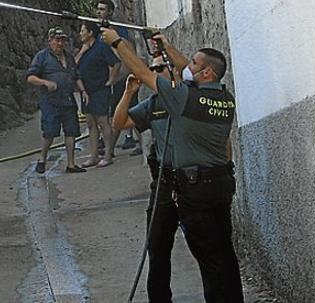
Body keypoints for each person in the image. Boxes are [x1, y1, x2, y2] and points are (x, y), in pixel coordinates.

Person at [100, 28, 244, 302]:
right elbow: (188, 71)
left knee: (210, 260)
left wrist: (117, 43)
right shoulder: (224, 99)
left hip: (195, 190)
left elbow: (143, 73)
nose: (185, 66)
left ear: (206, 74)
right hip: (220, 185)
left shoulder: (182, 99)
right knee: (223, 253)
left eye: (193, 63)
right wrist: (166, 46)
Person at [113, 56, 178, 303]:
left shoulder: (190, 98)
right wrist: (129, 92)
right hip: (164, 181)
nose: (152, 72)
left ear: (173, 71)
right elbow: (119, 123)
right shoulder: (153, 104)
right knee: (157, 249)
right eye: (150, 68)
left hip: (194, 182)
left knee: (207, 250)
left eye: (158, 68)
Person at [26, 27, 88, 174]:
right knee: (50, 132)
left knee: (71, 131)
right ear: (50, 41)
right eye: (57, 40)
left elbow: (76, 75)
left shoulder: (69, 57)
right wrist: (45, 83)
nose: (60, 43)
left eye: (62, 40)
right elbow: (30, 77)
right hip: (50, 101)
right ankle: (42, 159)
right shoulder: (42, 57)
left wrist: (83, 91)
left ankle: (71, 164)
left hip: (67, 100)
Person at [96, 0, 143, 156]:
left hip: (124, 77)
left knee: (126, 112)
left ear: (110, 12)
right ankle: (110, 149)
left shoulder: (118, 30)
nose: (99, 12)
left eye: (102, 9)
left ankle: (111, 152)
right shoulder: (100, 32)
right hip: (112, 79)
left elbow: (127, 50)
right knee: (118, 113)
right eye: (98, 9)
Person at [74, 21, 115, 168]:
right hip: (86, 91)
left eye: (82, 30)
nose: (80, 33)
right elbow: (73, 66)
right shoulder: (83, 50)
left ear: (90, 33)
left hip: (100, 90)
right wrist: (82, 51)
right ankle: (94, 156)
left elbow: (115, 63)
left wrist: (111, 80)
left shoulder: (102, 47)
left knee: (103, 122)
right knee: (90, 123)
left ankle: (108, 155)